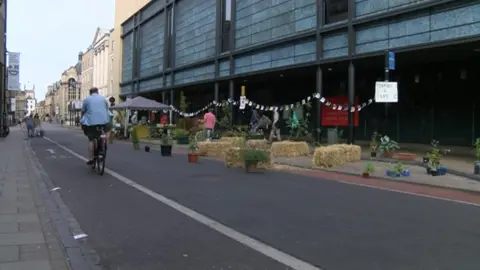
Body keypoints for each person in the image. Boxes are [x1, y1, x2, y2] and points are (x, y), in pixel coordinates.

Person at [80, 87, 111, 165]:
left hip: (91, 123)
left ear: (90, 93)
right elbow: (107, 109)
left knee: (91, 140)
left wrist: (82, 120)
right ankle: (103, 144)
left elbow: (83, 111)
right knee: (106, 131)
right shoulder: (104, 99)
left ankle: (91, 158)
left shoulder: (87, 99)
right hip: (104, 121)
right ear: (97, 92)